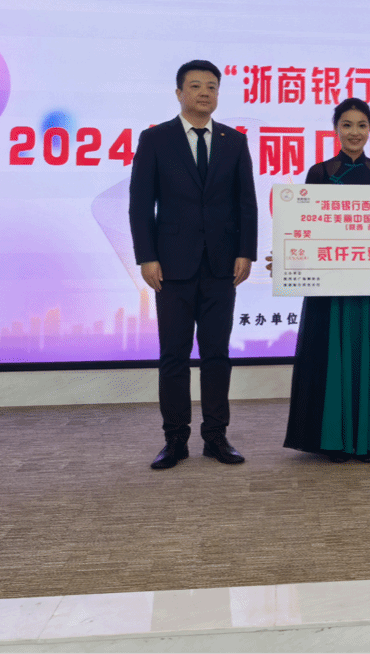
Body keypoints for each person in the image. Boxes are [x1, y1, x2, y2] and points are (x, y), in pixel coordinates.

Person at [129, 59, 258, 470]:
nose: (205, 92)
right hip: (171, 267)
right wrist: (147, 257)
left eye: (212, 86)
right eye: (196, 85)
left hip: (222, 266)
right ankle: (175, 439)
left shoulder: (234, 141)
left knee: (217, 355)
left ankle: (216, 437)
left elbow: (246, 203)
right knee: (174, 356)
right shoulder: (156, 139)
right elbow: (140, 204)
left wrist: (246, 252)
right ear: (179, 93)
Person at [283, 98, 370, 463]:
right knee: (333, 356)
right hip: (331, 285)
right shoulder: (319, 173)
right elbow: (306, 226)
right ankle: (334, 440)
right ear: (336, 129)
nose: (355, 132)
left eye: (362, 125)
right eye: (347, 125)